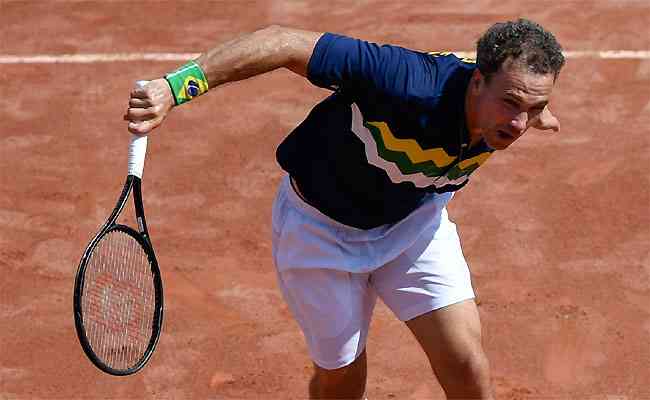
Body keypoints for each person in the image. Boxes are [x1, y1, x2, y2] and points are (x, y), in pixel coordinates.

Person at [124, 18, 565, 399]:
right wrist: (176, 87)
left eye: (534, 108)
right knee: (342, 383)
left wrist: (530, 110)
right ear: (476, 80)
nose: (519, 123)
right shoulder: (405, 80)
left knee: (466, 364)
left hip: (413, 224)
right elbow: (283, 41)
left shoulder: (510, 112)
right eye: (511, 103)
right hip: (320, 233)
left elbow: (522, 105)